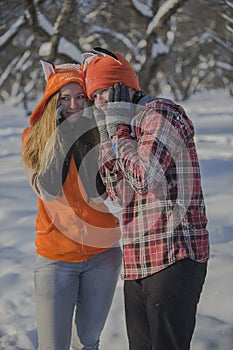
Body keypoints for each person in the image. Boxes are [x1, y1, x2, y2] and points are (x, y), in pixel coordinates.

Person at [81, 47, 210, 350]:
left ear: (124, 89)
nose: (100, 103)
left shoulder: (161, 113)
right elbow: (119, 195)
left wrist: (118, 132)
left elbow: (144, 177)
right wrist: (111, 137)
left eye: (105, 93)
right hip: (138, 261)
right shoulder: (120, 129)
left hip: (174, 255)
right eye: (94, 97)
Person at [21, 60, 122, 350]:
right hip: (56, 258)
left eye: (80, 97)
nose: (74, 105)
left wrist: (87, 137)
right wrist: (61, 134)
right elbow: (47, 188)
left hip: (104, 255)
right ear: (52, 102)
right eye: (64, 99)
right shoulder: (33, 139)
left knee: (88, 342)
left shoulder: (99, 135)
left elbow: (101, 194)